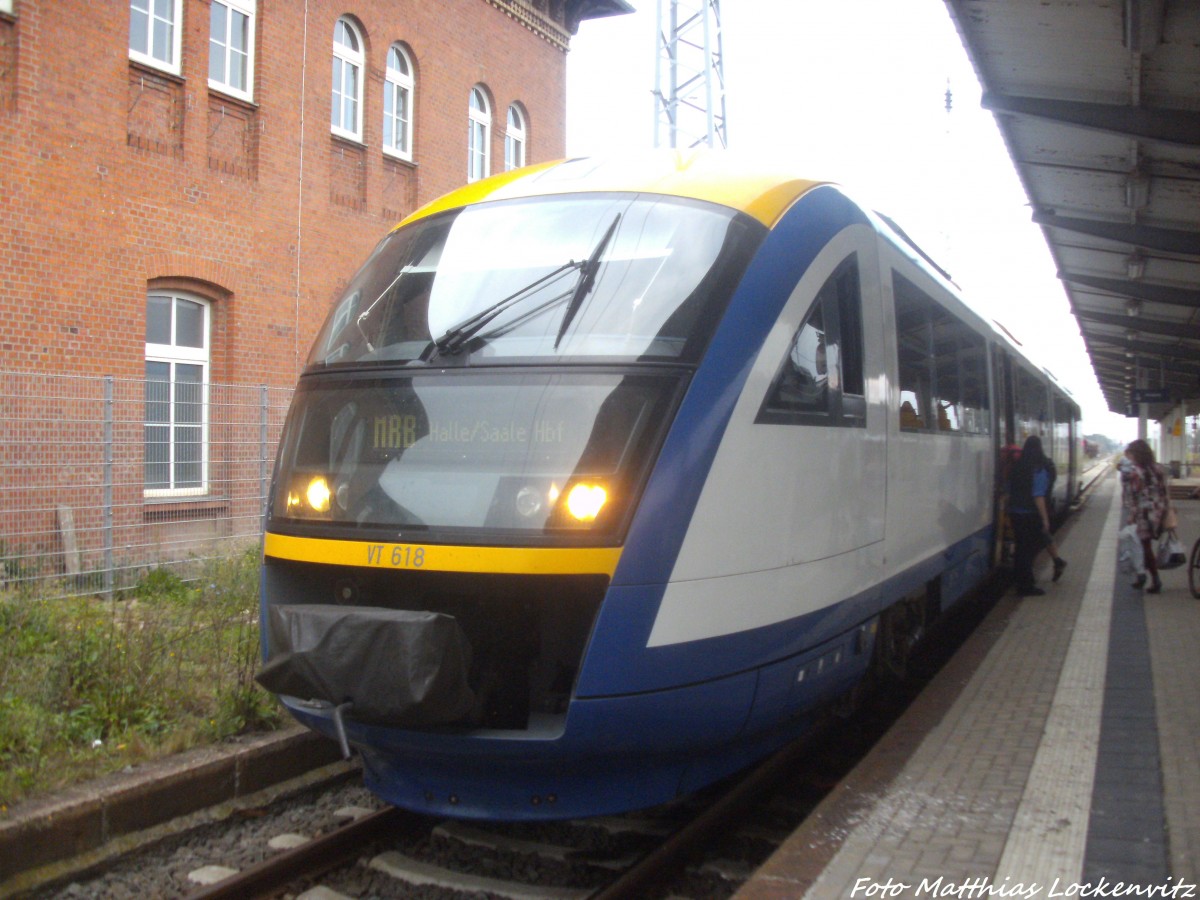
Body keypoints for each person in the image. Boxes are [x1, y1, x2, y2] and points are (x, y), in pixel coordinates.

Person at [1007, 435, 1064, 597]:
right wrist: (1045, 519)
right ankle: (1026, 586)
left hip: (1015, 513)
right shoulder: (1039, 468)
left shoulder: (1017, 466)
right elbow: (1038, 496)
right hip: (1030, 515)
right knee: (1028, 551)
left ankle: (1020, 582)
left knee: (1020, 549)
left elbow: (1009, 488)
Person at [1120, 438, 1169, 593]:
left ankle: (1154, 580)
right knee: (1143, 545)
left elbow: (1133, 495)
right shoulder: (1159, 468)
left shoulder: (1136, 473)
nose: (1130, 458)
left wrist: (1131, 516)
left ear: (1137, 455)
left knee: (1144, 546)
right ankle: (1143, 576)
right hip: (1159, 510)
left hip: (1144, 513)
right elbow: (1165, 491)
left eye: (1131, 455)